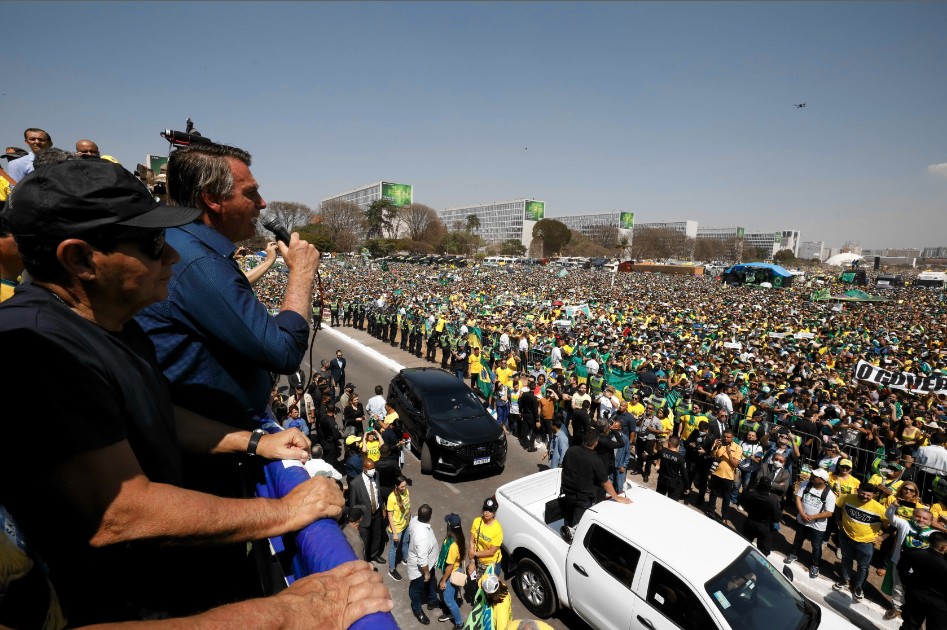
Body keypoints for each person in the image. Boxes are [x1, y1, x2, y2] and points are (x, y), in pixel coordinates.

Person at [0, 159, 362, 624]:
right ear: (80, 259)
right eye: (153, 244)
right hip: (109, 598)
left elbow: (158, 414)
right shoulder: (38, 348)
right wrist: (283, 511)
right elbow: (121, 513)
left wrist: (253, 441)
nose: (173, 256)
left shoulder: (112, 322)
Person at [136, 143, 319, 429]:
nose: (262, 203)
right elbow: (284, 352)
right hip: (212, 438)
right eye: (250, 193)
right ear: (212, 199)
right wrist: (302, 273)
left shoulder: (184, 243)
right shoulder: (201, 263)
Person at [559, 430, 632, 534]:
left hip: (568, 494)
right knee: (576, 529)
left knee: (567, 521)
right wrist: (617, 497)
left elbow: (564, 468)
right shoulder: (595, 460)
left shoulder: (571, 450)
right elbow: (605, 482)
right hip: (582, 500)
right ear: (596, 443)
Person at [833, 482, 888, 601]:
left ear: (873, 495)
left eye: (868, 495)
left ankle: (858, 587)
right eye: (862, 493)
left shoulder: (880, 509)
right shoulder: (847, 498)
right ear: (858, 490)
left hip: (866, 542)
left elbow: (893, 526)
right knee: (846, 559)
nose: (865, 497)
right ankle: (845, 580)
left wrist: (882, 537)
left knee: (863, 566)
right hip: (846, 536)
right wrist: (838, 520)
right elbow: (837, 506)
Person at [878, 505, 934, 621]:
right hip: (899, 562)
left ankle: (910, 610)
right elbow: (889, 516)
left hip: (918, 568)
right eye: (918, 516)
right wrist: (894, 506)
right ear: (913, 516)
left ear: (930, 521)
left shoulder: (933, 534)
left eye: (925, 518)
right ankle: (897, 608)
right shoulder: (905, 524)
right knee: (898, 586)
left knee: (914, 590)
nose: (921, 520)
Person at [785, 468, 836, 579]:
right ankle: (794, 554)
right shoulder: (805, 484)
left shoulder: (830, 495)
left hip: (817, 525)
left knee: (816, 546)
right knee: (798, 538)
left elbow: (829, 513)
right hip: (802, 520)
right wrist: (802, 514)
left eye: (815, 476)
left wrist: (812, 517)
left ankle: (815, 565)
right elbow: (798, 498)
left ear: (822, 480)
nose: (811, 476)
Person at [896, 531, 947, 630]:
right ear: (943, 547)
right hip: (939, 604)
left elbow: (901, 569)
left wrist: (908, 584)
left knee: (909, 626)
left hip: (915, 595)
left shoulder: (912, 553)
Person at [407, 504, 440, 625]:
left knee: (431, 582)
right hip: (421, 569)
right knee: (416, 589)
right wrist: (426, 573)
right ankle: (417, 609)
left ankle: (432, 600)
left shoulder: (415, 520)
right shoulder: (422, 537)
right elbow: (422, 560)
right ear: (430, 517)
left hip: (429, 566)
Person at [348, 458, 386, 563]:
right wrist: (354, 521)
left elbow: (378, 492)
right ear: (364, 469)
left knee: (376, 536)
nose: (373, 470)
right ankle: (366, 561)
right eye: (370, 469)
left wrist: (382, 507)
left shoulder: (376, 475)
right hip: (364, 517)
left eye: (373, 468)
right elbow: (353, 505)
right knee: (365, 540)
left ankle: (374, 555)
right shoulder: (355, 484)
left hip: (376, 513)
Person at [436, 513, 467, 630]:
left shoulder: (453, 546)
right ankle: (450, 613)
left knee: (448, 600)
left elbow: (449, 566)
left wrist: (443, 580)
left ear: (449, 526)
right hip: (455, 569)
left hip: (451, 574)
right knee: (452, 595)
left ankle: (459, 623)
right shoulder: (458, 537)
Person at [705, 429, 742, 524]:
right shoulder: (718, 443)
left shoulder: (737, 448)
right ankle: (710, 511)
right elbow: (712, 455)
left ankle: (724, 516)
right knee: (713, 493)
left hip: (728, 477)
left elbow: (735, 464)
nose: (726, 438)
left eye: (728, 437)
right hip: (716, 473)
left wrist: (729, 453)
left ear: (733, 437)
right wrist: (715, 447)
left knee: (726, 497)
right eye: (724, 436)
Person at [740, 476, 782, 556]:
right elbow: (776, 518)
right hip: (765, 527)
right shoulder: (773, 501)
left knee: (744, 544)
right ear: (769, 488)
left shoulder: (750, 494)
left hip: (750, 522)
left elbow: (744, 505)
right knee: (763, 552)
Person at [468, 498, 504, 579]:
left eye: (490, 510)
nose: (487, 512)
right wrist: (472, 562)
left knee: (488, 585)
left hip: (491, 564)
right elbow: (472, 541)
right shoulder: (477, 521)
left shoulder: (497, 529)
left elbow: (491, 551)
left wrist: (475, 554)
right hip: (478, 560)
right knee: (477, 582)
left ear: (494, 512)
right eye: (485, 509)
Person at [386, 475, 411, 581]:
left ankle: (405, 559)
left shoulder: (406, 491)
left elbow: (408, 507)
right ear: (396, 486)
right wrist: (395, 533)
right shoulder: (391, 498)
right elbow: (390, 516)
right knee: (394, 549)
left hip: (405, 524)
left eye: (405, 486)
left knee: (406, 542)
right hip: (397, 528)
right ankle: (391, 570)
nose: (404, 488)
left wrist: (409, 520)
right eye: (402, 487)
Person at [655, 435, 689, 501]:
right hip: (673, 483)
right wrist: (687, 487)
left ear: (670, 443)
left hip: (662, 480)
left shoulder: (663, 452)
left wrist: (646, 456)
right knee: (672, 502)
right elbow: (684, 474)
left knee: (658, 499)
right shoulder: (680, 458)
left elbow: (653, 457)